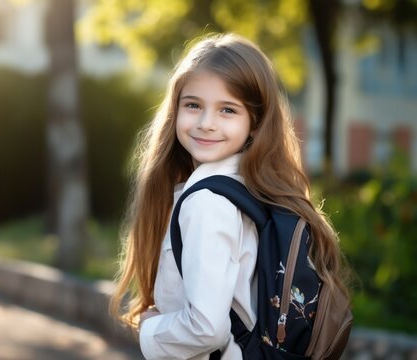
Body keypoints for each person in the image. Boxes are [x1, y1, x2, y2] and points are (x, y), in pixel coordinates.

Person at [109, 33, 348, 360]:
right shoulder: (254, 187)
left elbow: (206, 328)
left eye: (228, 110)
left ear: (255, 122)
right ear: (175, 109)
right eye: (193, 105)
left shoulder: (208, 201)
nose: (206, 123)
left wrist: (151, 328)